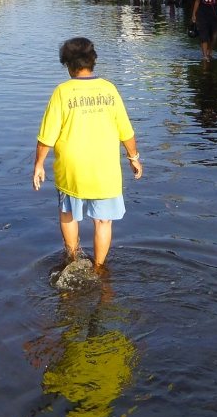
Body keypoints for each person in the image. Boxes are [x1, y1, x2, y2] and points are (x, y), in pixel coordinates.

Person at [33, 37, 143, 269]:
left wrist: (39, 165)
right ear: (93, 61)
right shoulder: (109, 89)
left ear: (68, 65)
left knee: (68, 213)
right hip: (105, 168)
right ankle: (99, 268)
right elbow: (126, 131)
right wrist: (133, 158)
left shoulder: (62, 92)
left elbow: (47, 137)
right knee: (103, 221)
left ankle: (72, 259)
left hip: (72, 168)